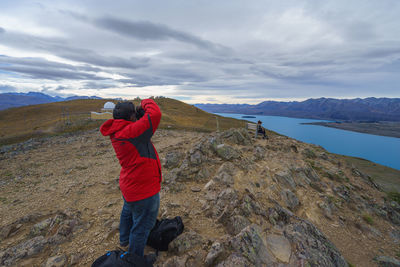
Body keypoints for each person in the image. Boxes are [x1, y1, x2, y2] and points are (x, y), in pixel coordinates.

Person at [100, 99, 162, 260]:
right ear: (132, 117)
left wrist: (138, 115)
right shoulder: (132, 132)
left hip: (131, 186)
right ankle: (134, 260)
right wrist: (145, 103)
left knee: (128, 211)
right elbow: (155, 114)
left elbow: (139, 124)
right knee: (142, 227)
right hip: (144, 190)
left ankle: (124, 239)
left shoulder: (119, 130)